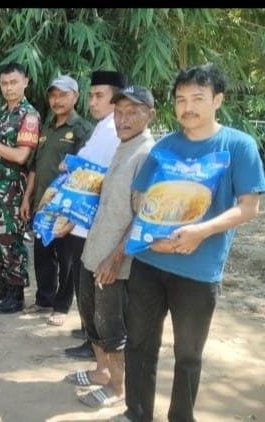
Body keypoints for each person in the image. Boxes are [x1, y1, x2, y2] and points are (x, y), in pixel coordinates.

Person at [113, 64, 265, 422]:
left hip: (198, 271)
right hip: (150, 263)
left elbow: (249, 207)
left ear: (218, 100)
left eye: (198, 98)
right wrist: (151, 238)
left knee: (188, 354)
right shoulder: (165, 146)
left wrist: (201, 231)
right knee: (139, 344)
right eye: (181, 99)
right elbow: (141, 199)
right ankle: (136, 413)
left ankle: (181, 417)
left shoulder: (238, 146)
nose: (188, 107)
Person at [64, 85, 156, 409]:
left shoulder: (146, 155)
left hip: (116, 263)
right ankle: (102, 371)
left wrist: (115, 259)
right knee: (91, 318)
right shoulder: (123, 146)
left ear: (150, 115)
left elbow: (144, 216)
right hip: (94, 252)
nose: (123, 119)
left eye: (132, 112)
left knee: (111, 326)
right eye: (118, 112)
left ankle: (118, 389)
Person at [63, 70, 128, 360]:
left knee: (91, 289)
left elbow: (94, 176)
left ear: (117, 99)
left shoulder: (114, 131)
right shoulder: (102, 127)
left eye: (99, 96)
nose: (92, 102)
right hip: (83, 220)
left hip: (93, 224)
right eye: (90, 95)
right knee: (84, 286)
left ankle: (96, 345)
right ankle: (90, 335)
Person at [21, 75, 94, 325]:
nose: (57, 100)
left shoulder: (83, 130)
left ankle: (62, 307)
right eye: (53, 95)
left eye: (63, 95)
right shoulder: (46, 128)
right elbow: (35, 166)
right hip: (42, 205)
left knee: (67, 259)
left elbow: (85, 173)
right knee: (42, 254)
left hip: (66, 207)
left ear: (76, 96)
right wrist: (27, 198)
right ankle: (44, 300)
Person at [0, 62, 39, 314]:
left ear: (25, 82)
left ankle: (16, 294)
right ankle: (0, 284)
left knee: (10, 241)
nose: (9, 88)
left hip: (13, 190)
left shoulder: (29, 116)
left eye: (14, 82)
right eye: (4, 83)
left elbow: (22, 156)